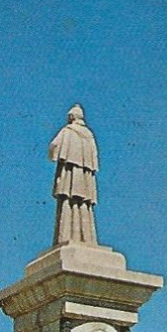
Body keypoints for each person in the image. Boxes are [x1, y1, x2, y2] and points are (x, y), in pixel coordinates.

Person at [48, 104, 100, 246]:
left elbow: (54, 146)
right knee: (83, 204)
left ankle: (66, 237)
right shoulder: (89, 135)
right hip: (84, 179)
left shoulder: (68, 131)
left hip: (70, 175)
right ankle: (86, 238)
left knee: (68, 202)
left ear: (71, 117)